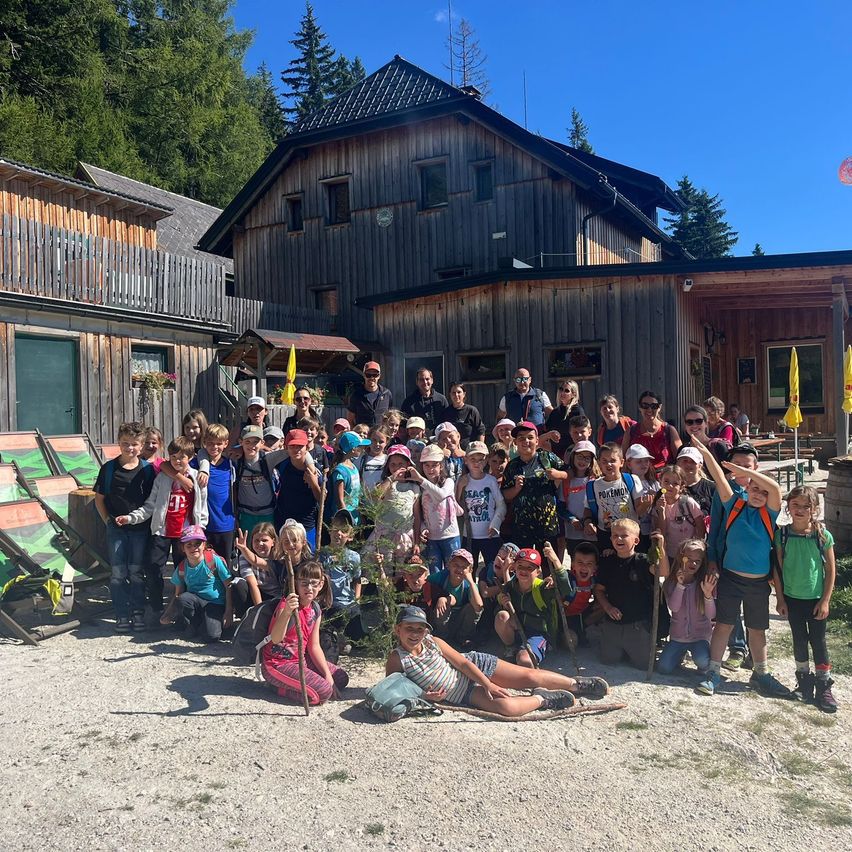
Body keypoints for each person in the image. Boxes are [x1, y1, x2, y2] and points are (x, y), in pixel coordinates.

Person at [691, 437, 794, 699]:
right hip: (731, 579)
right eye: (754, 490)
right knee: (723, 625)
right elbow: (719, 478)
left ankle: (761, 673)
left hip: (758, 583)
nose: (759, 494)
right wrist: (707, 455)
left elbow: (774, 488)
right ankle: (713, 671)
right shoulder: (734, 505)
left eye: (762, 491)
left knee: (757, 629)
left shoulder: (770, 513)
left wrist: (748, 473)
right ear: (747, 490)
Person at [387, 605, 608, 715]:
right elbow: (398, 689)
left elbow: (462, 663)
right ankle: (543, 699)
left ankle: (577, 684)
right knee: (508, 708)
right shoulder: (397, 659)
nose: (415, 634)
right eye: (409, 629)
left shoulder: (433, 641)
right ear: (398, 630)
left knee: (528, 676)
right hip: (463, 693)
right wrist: (425, 696)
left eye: (420, 629)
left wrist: (487, 682)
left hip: (475, 666)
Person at [115, 436, 208, 621]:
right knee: (153, 568)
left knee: (186, 572)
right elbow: (150, 506)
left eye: (181, 457)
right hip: (163, 531)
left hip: (186, 533)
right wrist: (130, 518)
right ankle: (157, 608)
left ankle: (184, 610)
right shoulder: (163, 477)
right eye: (173, 457)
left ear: (190, 457)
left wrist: (200, 530)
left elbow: (203, 508)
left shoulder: (197, 478)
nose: (177, 461)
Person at [775, 486, 838, 711]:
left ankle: (823, 684)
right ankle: (803, 681)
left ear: (815, 509)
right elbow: (778, 569)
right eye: (796, 505)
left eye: (806, 506)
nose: (800, 510)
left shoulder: (822, 535)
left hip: (815, 598)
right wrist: (780, 599)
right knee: (799, 640)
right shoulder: (782, 534)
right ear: (788, 507)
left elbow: (831, 569)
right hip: (792, 598)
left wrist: (826, 600)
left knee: (818, 642)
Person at [94, 422, 156, 632]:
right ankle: (121, 614)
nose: (130, 448)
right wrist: (107, 522)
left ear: (141, 446)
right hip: (116, 530)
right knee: (118, 573)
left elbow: (151, 501)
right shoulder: (109, 469)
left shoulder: (148, 471)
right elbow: (99, 499)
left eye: (134, 444)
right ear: (119, 443)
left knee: (136, 572)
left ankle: (138, 611)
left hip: (140, 529)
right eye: (125, 443)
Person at [260, 561, 349, 705]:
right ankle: (276, 688)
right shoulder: (286, 605)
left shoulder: (315, 608)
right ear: (296, 584)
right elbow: (275, 639)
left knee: (340, 678)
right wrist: (287, 612)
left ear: (321, 585)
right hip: (277, 664)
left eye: (314, 583)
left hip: (301, 660)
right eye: (304, 583)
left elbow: (314, 647)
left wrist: (327, 675)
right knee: (322, 693)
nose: (309, 588)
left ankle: (304, 683)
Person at [707, 443, 759, 670]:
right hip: (726, 555)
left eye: (747, 465)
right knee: (730, 605)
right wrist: (712, 558)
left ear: (755, 466)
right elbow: (715, 525)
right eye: (736, 465)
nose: (742, 469)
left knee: (754, 607)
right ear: (728, 467)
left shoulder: (762, 491)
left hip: (754, 560)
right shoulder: (723, 490)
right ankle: (737, 647)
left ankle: (754, 652)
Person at [591, 520, 669, 669]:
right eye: (615, 536)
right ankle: (622, 647)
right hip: (614, 621)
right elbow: (599, 589)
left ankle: (633, 647)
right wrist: (607, 607)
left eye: (624, 535)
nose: (619, 539)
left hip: (637, 624)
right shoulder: (608, 563)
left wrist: (661, 547)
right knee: (608, 660)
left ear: (636, 540)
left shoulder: (644, 560)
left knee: (643, 665)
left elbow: (664, 572)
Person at [494, 545, 575, 668]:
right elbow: (500, 595)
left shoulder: (543, 588)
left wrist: (555, 561)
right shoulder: (512, 585)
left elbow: (565, 589)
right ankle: (511, 647)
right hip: (518, 629)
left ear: (538, 572)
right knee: (502, 616)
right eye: (520, 566)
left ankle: (533, 650)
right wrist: (503, 600)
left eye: (530, 567)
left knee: (524, 661)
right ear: (514, 567)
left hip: (538, 634)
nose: (524, 570)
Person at [501, 421, 567, 551]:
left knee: (548, 565)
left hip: (547, 525)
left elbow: (568, 473)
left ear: (537, 441)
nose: (526, 441)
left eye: (530, 437)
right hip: (522, 527)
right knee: (524, 565)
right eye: (521, 438)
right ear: (515, 443)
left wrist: (557, 474)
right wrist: (515, 489)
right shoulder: (512, 466)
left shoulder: (547, 457)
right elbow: (504, 495)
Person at [658, 539, 717, 676]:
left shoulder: (704, 583)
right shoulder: (672, 582)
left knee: (703, 661)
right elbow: (674, 607)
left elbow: (711, 615)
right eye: (689, 559)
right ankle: (679, 654)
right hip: (678, 637)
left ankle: (700, 656)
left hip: (699, 637)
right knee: (663, 668)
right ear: (681, 558)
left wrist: (708, 595)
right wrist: (680, 586)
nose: (693, 563)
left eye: (698, 561)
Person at [583, 443, 651, 555]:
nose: (608, 464)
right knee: (610, 568)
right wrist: (588, 522)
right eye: (604, 461)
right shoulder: (593, 486)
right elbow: (587, 509)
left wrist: (645, 505)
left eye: (613, 460)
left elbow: (639, 511)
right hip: (607, 535)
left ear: (622, 462)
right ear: (599, 463)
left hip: (630, 533)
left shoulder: (631, 480)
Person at [169, 526, 233, 642]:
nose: (194, 548)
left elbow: (229, 586)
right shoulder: (182, 567)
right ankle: (195, 623)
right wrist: (167, 614)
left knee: (211, 636)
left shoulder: (213, 560)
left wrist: (228, 612)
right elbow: (177, 595)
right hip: (196, 602)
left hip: (215, 603)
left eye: (197, 544)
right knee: (182, 599)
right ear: (182, 548)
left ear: (204, 545)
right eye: (189, 545)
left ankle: (201, 625)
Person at [364, 445, 419, 570]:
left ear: (408, 465)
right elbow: (375, 497)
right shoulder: (386, 484)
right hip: (385, 535)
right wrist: (391, 478)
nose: (397, 467)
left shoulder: (414, 487)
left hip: (404, 536)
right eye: (393, 464)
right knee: (385, 569)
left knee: (401, 570)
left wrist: (416, 542)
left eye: (401, 464)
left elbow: (417, 515)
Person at [456, 440, 506, 579]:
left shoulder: (490, 480)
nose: (477, 463)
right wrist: (460, 487)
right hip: (469, 535)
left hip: (490, 535)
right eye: (473, 459)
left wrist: (495, 524)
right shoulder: (462, 480)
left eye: (481, 459)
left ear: (486, 460)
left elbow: (501, 505)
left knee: (492, 570)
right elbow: (455, 508)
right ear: (466, 460)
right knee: (468, 570)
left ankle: (491, 596)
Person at [319, 510, 365, 652]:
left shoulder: (354, 557)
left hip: (348, 602)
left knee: (359, 641)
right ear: (330, 529)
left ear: (350, 536)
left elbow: (357, 579)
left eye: (344, 530)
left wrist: (356, 599)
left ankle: (345, 637)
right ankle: (337, 638)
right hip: (329, 603)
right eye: (336, 528)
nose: (338, 533)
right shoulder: (321, 555)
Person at [411, 443, 462, 571]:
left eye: (434, 465)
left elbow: (441, 495)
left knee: (453, 570)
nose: (430, 469)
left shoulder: (448, 482)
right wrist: (423, 528)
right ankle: (437, 592)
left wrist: (421, 479)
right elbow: (420, 513)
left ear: (441, 466)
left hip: (450, 535)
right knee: (435, 572)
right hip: (432, 538)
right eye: (426, 465)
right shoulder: (420, 488)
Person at [273, 430, 323, 551]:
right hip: (284, 523)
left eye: (300, 446)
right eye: (292, 446)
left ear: (306, 448)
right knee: (285, 562)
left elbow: (322, 500)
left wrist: (313, 483)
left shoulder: (315, 472)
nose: (296, 450)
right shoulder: (281, 466)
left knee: (308, 560)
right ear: (286, 448)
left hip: (307, 524)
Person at [194, 424, 236, 567]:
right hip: (204, 524)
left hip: (226, 523)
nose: (214, 447)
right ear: (204, 442)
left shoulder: (231, 465)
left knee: (224, 565)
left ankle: (226, 590)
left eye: (219, 443)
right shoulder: (196, 464)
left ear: (226, 444)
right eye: (210, 443)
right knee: (205, 563)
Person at [234, 425, 285, 536]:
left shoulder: (268, 459)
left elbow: (292, 450)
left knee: (267, 548)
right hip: (245, 515)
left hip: (267, 514)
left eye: (255, 442)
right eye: (247, 442)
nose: (252, 446)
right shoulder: (236, 460)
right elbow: (209, 451)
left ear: (262, 443)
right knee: (246, 549)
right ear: (240, 442)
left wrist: (310, 465)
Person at [428, 549, 484, 646]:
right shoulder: (440, 577)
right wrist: (440, 597)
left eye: (464, 567)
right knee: (443, 603)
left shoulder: (469, 585)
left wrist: (471, 582)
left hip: (459, 620)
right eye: (456, 565)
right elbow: (425, 584)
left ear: (470, 570)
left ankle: (462, 637)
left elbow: (478, 606)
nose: (459, 570)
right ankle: (442, 639)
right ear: (449, 565)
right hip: (441, 621)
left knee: (471, 608)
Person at [652, 465, 705, 560]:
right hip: (668, 555)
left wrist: (697, 550)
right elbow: (661, 533)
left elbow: (701, 528)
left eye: (675, 483)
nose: (670, 486)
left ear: (682, 486)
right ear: (660, 482)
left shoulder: (688, 503)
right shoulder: (657, 505)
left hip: (689, 555)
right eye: (666, 481)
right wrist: (661, 511)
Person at [232, 523, 284, 615]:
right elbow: (253, 584)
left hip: (277, 597)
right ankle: (246, 617)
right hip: (257, 593)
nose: (260, 543)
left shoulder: (280, 558)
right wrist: (259, 612)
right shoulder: (244, 557)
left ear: (273, 542)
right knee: (238, 583)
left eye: (264, 540)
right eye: (256, 540)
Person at [559, 440, 600, 557]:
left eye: (587, 458)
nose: (583, 461)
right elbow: (560, 506)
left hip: (593, 532)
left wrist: (591, 523)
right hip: (572, 533)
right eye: (580, 456)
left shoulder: (596, 481)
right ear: (573, 457)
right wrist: (572, 519)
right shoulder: (566, 481)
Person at [623, 390, 682, 468]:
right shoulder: (631, 431)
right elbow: (623, 459)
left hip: (664, 478)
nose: (649, 409)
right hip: (638, 477)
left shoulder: (669, 430)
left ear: (659, 407)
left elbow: (680, 458)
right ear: (640, 407)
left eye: (654, 406)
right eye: (645, 405)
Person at [561, 541, 601, 647]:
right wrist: (550, 579)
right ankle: (562, 635)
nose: (584, 567)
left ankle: (582, 629)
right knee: (571, 642)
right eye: (580, 563)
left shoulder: (594, 580)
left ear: (595, 568)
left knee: (604, 606)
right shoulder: (567, 578)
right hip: (565, 618)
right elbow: (558, 576)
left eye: (589, 564)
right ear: (572, 564)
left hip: (581, 615)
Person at [328, 431, 371, 526]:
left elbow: (357, 494)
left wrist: (360, 515)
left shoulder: (354, 467)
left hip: (355, 517)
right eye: (360, 446)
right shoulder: (340, 471)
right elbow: (340, 500)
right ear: (353, 449)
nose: (363, 449)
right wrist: (347, 520)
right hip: (344, 521)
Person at [624, 444, 659, 551]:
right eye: (639, 461)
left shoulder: (654, 484)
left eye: (646, 461)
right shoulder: (624, 484)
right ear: (629, 464)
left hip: (651, 530)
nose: (644, 464)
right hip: (631, 531)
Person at [542, 379, 585, 458]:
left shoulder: (577, 411)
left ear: (573, 394)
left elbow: (582, 434)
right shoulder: (555, 412)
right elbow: (546, 429)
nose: (562, 393)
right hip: (555, 454)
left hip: (572, 454)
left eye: (566, 391)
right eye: (561, 389)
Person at [400, 367, 448, 433]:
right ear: (417, 382)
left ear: (432, 380)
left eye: (427, 379)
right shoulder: (408, 402)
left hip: (438, 439)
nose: (425, 382)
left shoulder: (441, 399)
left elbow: (447, 422)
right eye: (421, 380)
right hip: (416, 439)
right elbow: (403, 424)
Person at [347, 361, 393, 428]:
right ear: (364, 375)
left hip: (381, 435)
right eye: (368, 375)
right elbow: (350, 420)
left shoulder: (387, 394)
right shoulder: (356, 395)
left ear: (379, 376)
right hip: (363, 436)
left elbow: (390, 416)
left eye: (375, 375)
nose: (372, 378)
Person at [676, 446, 716, 523]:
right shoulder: (671, 486)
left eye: (693, 461)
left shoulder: (712, 487)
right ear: (678, 463)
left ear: (700, 465)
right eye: (685, 461)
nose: (688, 464)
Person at [441, 382, 485, 449]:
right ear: (450, 394)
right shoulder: (445, 413)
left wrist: (480, 448)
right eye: (453, 393)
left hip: (470, 451)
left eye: (459, 392)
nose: (456, 395)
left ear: (464, 394)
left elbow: (481, 431)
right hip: (451, 451)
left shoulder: (472, 411)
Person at [358, 425, 391, 492]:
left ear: (387, 442)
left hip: (382, 500)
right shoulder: (360, 460)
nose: (377, 444)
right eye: (374, 440)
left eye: (381, 442)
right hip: (364, 500)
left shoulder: (388, 460)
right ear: (369, 439)